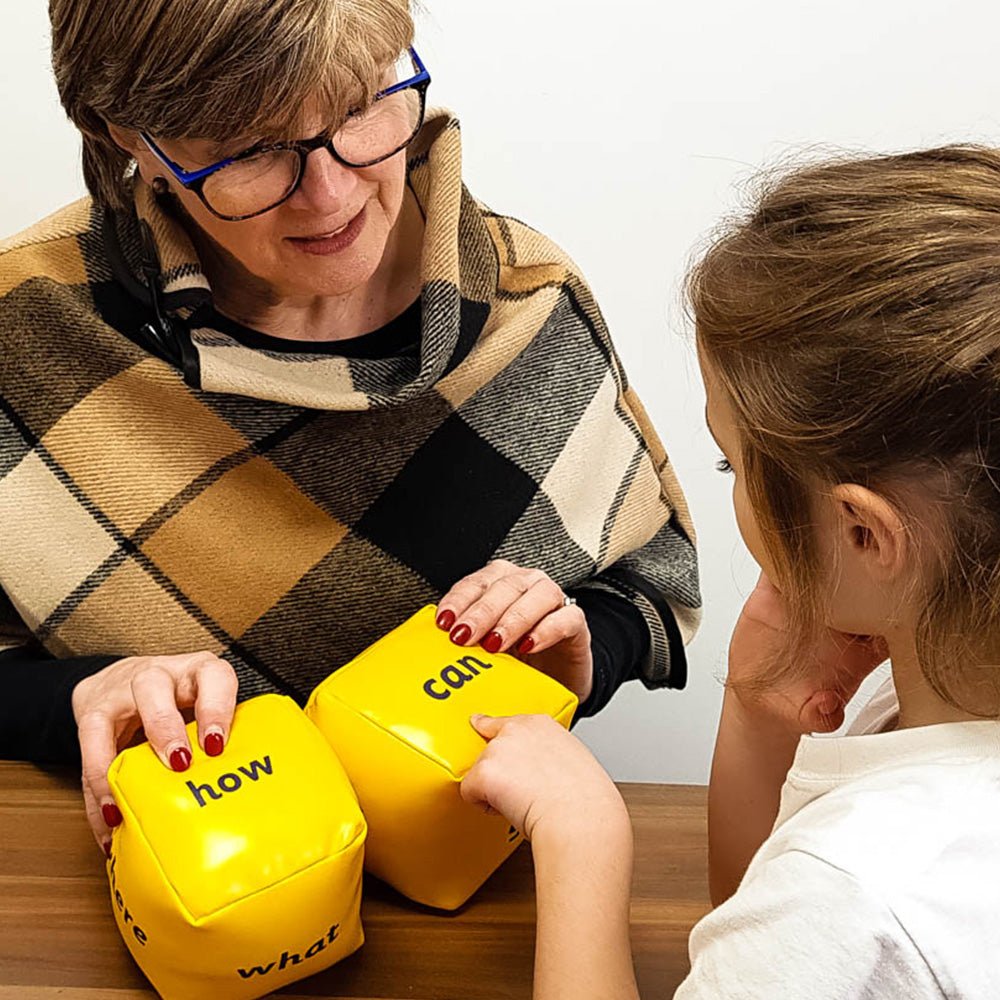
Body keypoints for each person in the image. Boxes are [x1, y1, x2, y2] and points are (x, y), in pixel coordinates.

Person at [0, 0, 700, 856]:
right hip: (160, 907)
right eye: (252, 148)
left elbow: (647, 581)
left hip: (475, 904)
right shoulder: (24, 329)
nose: (331, 195)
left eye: (362, 104)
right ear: (128, 139)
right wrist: (76, 697)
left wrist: (580, 640)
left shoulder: (526, 298)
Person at [463, 145, 1000, 998]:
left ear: (863, 533)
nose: (731, 488)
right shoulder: (934, 709)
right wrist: (756, 712)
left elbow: (807, 927)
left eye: (731, 465)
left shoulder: (862, 891)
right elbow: (764, 941)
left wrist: (582, 837)